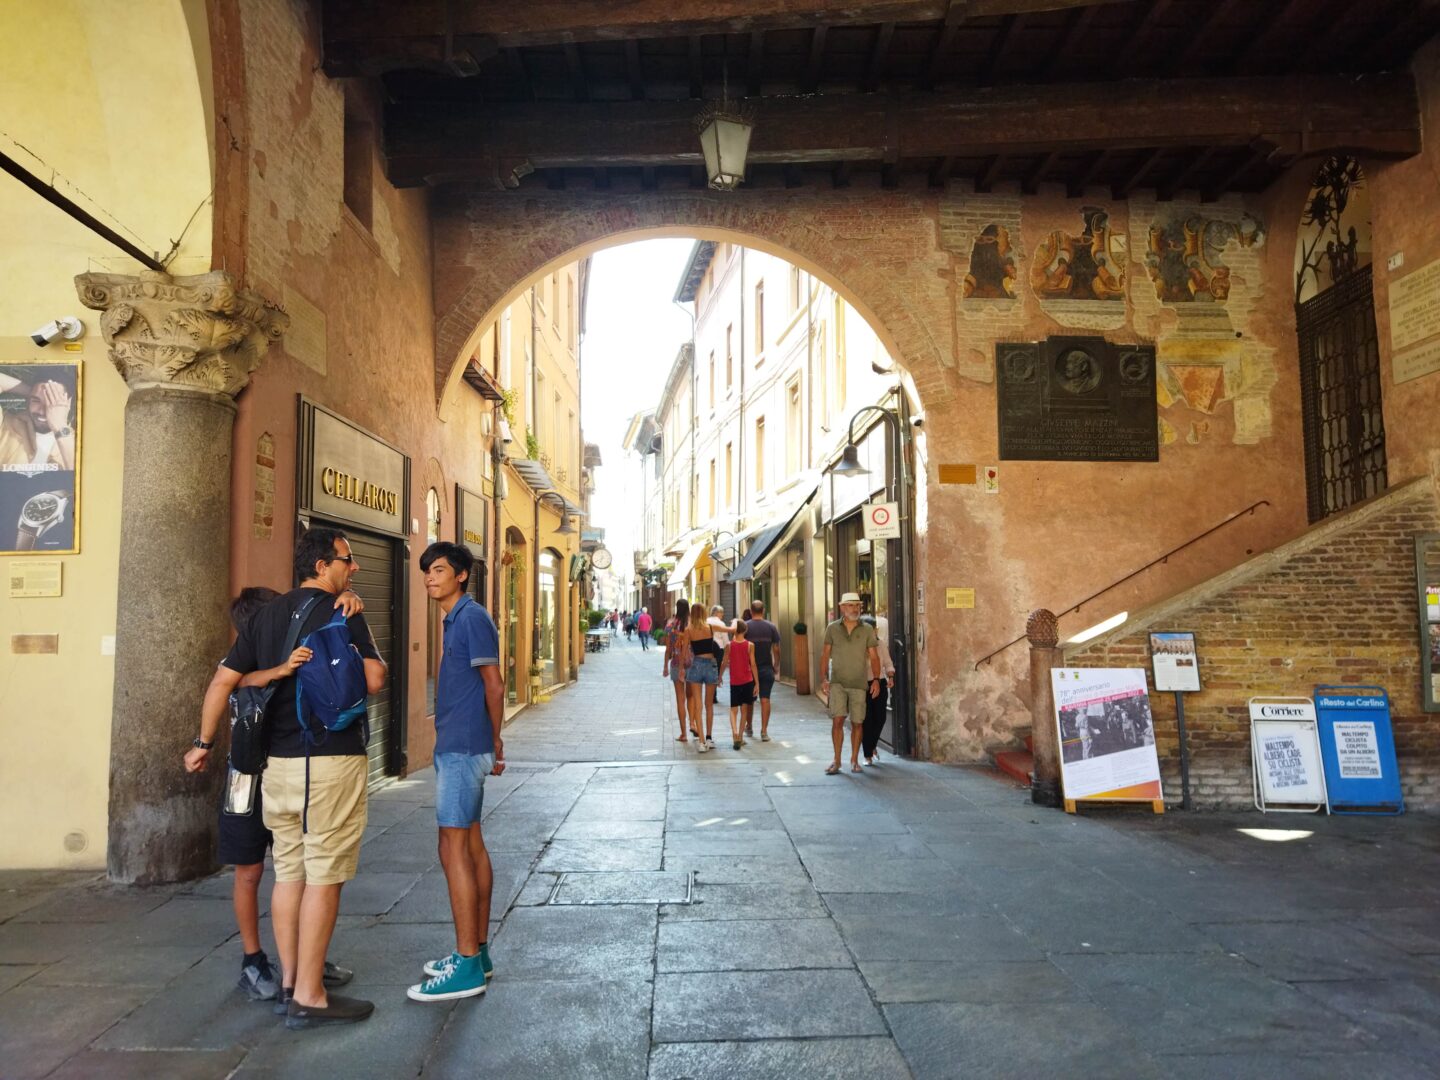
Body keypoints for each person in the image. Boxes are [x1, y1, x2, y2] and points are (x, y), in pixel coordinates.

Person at [195, 527, 387, 1030]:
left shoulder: (265, 616)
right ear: (322, 566)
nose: (354, 568)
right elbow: (374, 679)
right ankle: (310, 996)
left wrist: (203, 744)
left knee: (289, 872)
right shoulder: (343, 611)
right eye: (347, 559)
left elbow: (224, 681)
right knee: (325, 873)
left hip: (277, 767)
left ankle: (289, 984)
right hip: (330, 761)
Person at [410, 542, 506, 1003]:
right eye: (427, 571)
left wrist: (496, 739)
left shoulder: (470, 618)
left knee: (453, 848)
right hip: (461, 744)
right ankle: (477, 954)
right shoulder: (456, 619)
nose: (430, 577)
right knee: (467, 844)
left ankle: (467, 964)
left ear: (462, 575)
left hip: (464, 748)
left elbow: (494, 684)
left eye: (439, 570)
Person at [818, 592, 881, 775]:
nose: (855, 609)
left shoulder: (867, 629)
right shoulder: (832, 628)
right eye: (851, 605)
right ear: (842, 608)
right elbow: (825, 655)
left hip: (859, 683)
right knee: (837, 720)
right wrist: (824, 679)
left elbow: (874, 656)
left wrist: (876, 679)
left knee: (857, 723)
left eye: (857, 605)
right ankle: (837, 760)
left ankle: (854, 760)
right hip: (837, 682)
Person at [0, 371, 76, 470]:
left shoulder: (78, 441)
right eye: (36, 400)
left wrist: (60, 426)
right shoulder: (5, 424)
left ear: (68, 403)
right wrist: (32, 391)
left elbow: (84, 476)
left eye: (52, 401)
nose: (41, 411)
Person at [682, 602, 721, 752]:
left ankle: (701, 742)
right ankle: (709, 738)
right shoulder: (710, 627)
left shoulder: (688, 630)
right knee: (709, 704)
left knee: (698, 706)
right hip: (711, 665)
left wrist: (681, 669)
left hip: (696, 665)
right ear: (704, 613)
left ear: (692, 614)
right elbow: (730, 630)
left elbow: (684, 652)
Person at [859, 613, 896, 766]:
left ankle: (872, 746)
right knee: (866, 720)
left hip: (879, 683)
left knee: (881, 718)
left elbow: (887, 662)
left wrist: (890, 676)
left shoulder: (880, 644)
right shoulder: (857, 646)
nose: (873, 632)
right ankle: (867, 755)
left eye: (874, 629)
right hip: (862, 685)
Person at [745, 600, 781, 741]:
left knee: (749, 700)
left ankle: (749, 727)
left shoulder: (745, 627)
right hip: (766, 668)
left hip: (749, 669)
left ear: (751, 611)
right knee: (765, 699)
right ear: (763, 610)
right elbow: (776, 648)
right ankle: (764, 731)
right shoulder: (771, 627)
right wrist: (776, 664)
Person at [718, 619, 757, 751]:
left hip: (734, 682)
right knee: (744, 710)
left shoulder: (729, 645)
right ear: (745, 630)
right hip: (747, 681)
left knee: (733, 710)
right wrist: (757, 683)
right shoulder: (750, 645)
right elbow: (753, 664)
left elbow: (724, 662)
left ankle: (734, 733)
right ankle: (740, 737)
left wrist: (720, 676)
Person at [663, 599, 692, 743]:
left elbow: (668, 648)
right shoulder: (692, 625)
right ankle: (694, 724)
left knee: (680, 699)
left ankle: (684, 734)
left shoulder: (671, 625)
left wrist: (665, 666)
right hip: (692, 663)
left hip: (675, 662)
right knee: (692, 696)